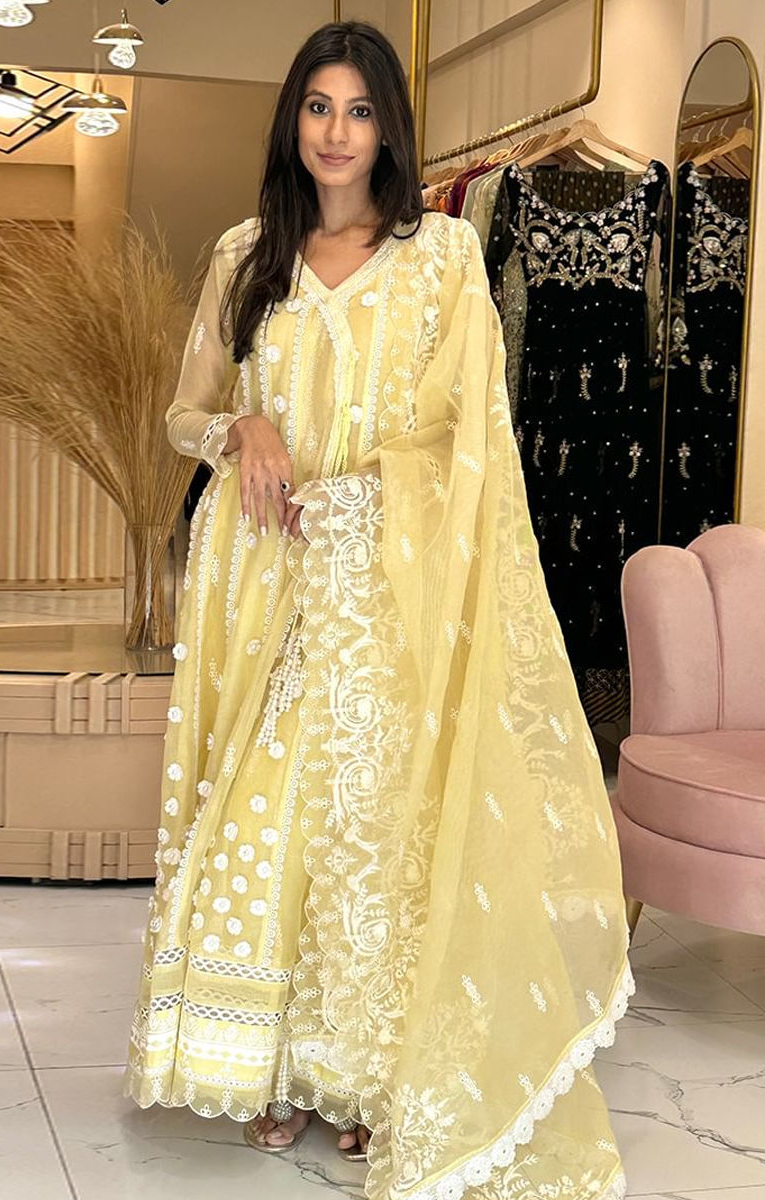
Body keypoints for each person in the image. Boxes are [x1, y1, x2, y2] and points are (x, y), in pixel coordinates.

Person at [124, 20, 634, 1199]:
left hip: (389, 583)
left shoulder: (441, 255)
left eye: (358, 110)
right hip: (263, 579)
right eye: (317, 106)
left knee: (372, 827)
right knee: (265, 812)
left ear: (389, 127)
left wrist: (366, 497)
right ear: (291, 120)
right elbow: (184, 411)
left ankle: (360, 1079)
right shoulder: (245, 253)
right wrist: (242, 427)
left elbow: (469, 431)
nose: (336, 132)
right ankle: (271, 1065)